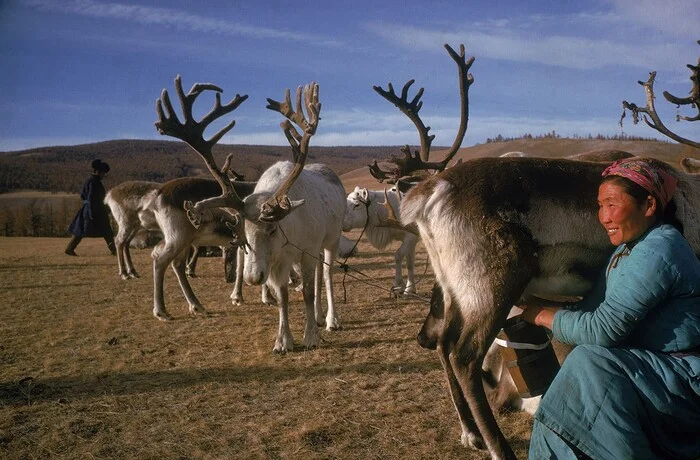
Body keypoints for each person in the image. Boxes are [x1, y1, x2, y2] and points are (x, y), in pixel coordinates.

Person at [518, 158, 700, 459]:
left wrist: (536, 314)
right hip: (652, 371)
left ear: (650, 205)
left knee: (590, 363)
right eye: (600, 206)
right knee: (584, 366)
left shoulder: (662, 248)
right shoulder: (626, 252)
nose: (603, 217)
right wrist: (536, 303)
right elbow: (593, 310)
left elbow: (602, 329)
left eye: (612, 205)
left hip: (682, 380)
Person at [65, 159, 116, 256]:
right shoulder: (94, 182)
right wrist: (92, 212)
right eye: (103, 173)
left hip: (89, 209)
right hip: (94, 210)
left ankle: (70, 248)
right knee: (106, 231)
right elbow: (91, 198)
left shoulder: (90, 180)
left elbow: (82, 196)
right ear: (98, 172)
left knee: (80, 231)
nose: (104, 175)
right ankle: (114, 250)